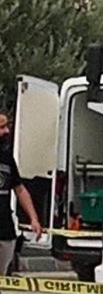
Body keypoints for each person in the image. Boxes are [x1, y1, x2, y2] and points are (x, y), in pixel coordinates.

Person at [0, 111, 43, 277]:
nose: (7, 131)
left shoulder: (6, 158)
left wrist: (33, 218)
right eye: (2, 127)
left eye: (7, 126)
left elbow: (20, 189)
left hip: (5, 230)